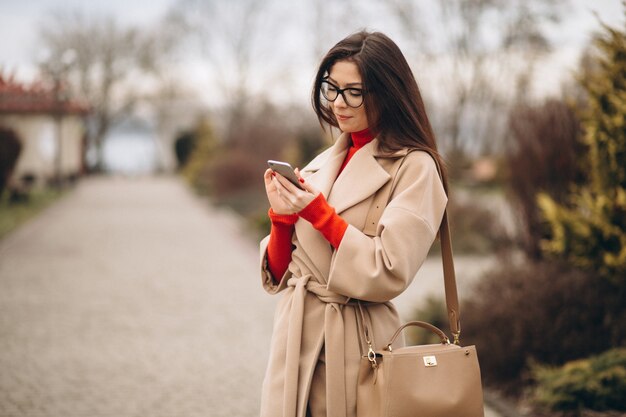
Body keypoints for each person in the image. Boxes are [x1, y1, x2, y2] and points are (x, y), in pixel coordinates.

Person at [259, 30, 448, 417]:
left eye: (354, 92)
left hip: (357, 346)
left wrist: (318, 214)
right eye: (332, 88)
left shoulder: (416, 168)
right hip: (293, 343)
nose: (338, 103)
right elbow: (281, 274)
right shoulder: (320, 164)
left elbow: (388, 270)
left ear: (386, 93)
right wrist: (281, 219)